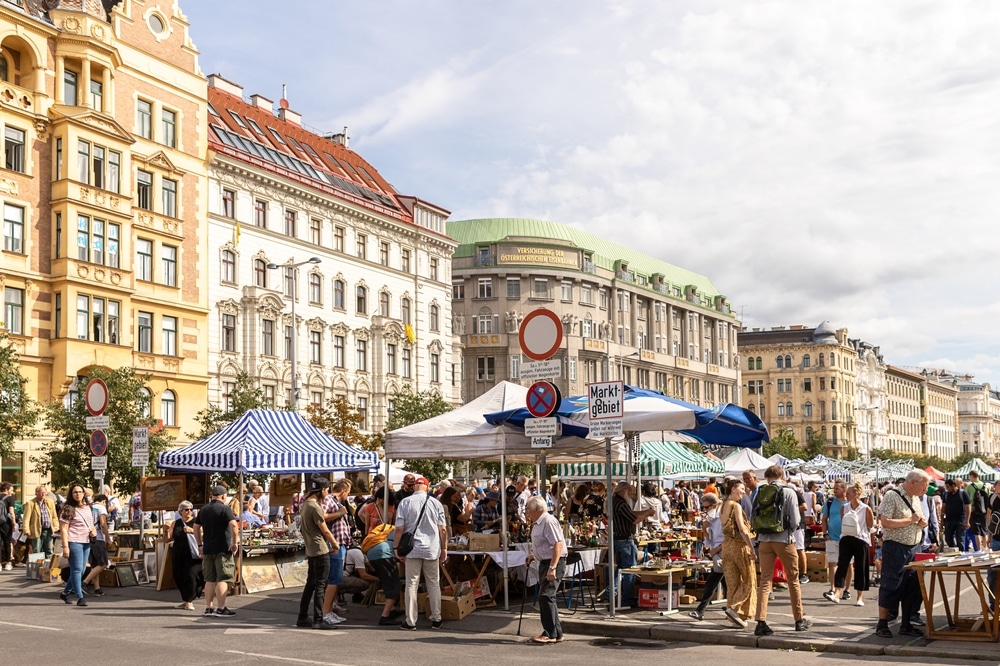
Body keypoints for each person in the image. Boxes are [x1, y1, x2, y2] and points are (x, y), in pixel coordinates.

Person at [752, 465, 811, 635]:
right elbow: (795, 519)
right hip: (784, 539)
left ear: (767, 477)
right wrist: (789, 532)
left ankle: (761, 621)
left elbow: (753, 517)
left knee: (765, 581)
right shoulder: (789, 492)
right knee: (793, 580)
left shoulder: (760, 492)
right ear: (782, 476)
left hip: (764, 540)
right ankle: (799, 619)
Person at [875, 469, 930, 639]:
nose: (926, 489)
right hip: (896, 547)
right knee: (892, 584)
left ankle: (906, 624)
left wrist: (922, 523)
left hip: (914, 547)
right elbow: (885, 522)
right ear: (913, 482)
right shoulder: (892, 496)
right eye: (924, 485)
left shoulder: (916, 498)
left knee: (912, 586)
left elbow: (916, 519)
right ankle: (882, 624)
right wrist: (911, 520)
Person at [394, 476, 447, 631]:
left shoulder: (405, 502)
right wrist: (444, 548)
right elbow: (442, 529)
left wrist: (396, 548)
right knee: (433, 583)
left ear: (415, 487)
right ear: (428, 487)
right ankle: (436, 619)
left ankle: (410, 621)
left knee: (411, 584)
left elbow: (399, 529)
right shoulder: (436, 503)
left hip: (412, 549)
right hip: (432, 548)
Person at [297, 476, 339, 630]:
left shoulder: (305, 505)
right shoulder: (315, 507)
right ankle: (318, 619)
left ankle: (302, 617)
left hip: (311, 549)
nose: (327, 493)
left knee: (311, 584)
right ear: (322, 490)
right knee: (321, 585)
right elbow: (325, 530)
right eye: (327, 490)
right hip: (320, 549)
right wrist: (335, 544)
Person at [193, 484, 240, 617]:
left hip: (207, 548)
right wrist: (235, 542)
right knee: (222, 578)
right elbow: (234, 526)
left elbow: (196, 527)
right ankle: (221, 607)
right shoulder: (225, 509)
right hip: (222, 548)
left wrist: (199, 545)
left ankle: (208, 608)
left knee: (209, 579)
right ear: (223, 496)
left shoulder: (204, 509)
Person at [525, 495, 566, 644]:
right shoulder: (537, 523)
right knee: (549, 597)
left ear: (537, 509)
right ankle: (557, 633)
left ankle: (549, 633)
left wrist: (553, 567)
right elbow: (545, 544)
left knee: (546, 596)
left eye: (528, 508)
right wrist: (534, 555)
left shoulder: (548, 521)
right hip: (545, 562)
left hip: (553, 562)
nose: (526, 511)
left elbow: (557, 545)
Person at [826, 482, 874, 607]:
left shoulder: (866, 508)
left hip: (861, 539)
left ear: (856, 494)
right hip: (846, 538)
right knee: (841, 565)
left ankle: (859, 597)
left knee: (861, 568)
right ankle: (837, 593)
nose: (846, 495)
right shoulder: (844, 508)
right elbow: (844, 523)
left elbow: (870, 526)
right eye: (846, 493)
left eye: (849, 493)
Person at [610, 481, 655, 606]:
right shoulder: (621, 503)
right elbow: (634, 520)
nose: (631, 494)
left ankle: (612, 596)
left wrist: (645, 512)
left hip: (619, 540)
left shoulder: (616, 501)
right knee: (629, 571)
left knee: (619, 571)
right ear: (623, 491)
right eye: (629, 491)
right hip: (625, 541)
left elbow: (632, 515)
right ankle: (627, 599)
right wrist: (647, 513)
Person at [720, 480, 758, 627]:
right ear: (733, 489)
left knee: (733, 583)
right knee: (749, 580)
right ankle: (734, 608)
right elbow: (742, 530)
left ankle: (735, 618)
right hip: (739, 547)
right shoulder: (735, 506)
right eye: (741, 489)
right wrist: (752, 549)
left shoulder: (722, 506)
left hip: (726, 547)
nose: (743, 491)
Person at [365, 489, 404, 626]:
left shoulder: (387, 527)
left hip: (371, 550)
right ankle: (385, 616)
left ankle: (392, 609)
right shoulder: (397, 528)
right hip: (383, 553)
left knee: (387, 581)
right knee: (394, 584)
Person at [690, 492, 728, 621]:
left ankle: (700, 610)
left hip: (722, 551)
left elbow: (728, 538)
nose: (705, 510)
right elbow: (709, 540)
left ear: (715, 505)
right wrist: (705, 530)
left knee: (712, 580)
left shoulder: (723, 516)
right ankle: (731, 607)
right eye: (704, 507)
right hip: (716, 552)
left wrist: (716, 549)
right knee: (723, 580)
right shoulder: (710, 519)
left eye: (707, 507)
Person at [321, 478, 353, 625]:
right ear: (344, 491)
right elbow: (320, 517)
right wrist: (340, 514)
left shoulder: (336, 502)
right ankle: (326, 612)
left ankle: (329, 609)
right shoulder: (329, 499)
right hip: (335, 545)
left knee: (336, 579)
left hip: (340, 544)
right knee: (334, 579)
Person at [58, 483, 96, 606]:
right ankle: (80, 597)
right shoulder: (67, 509)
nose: (78, 494)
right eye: (75, 492)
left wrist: (93, 531)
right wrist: (65, 547)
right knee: (77, 569)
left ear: (84, 493)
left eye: (80, 492)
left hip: (86, 541)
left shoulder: (87, 507)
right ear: (71, 494)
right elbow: (63, 529)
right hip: (74, 541)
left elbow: (91, 524)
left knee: (81, 570)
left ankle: (65, 593)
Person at [168, 500, 202, 611]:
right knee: (179, 576)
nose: (189, 512)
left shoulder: (196, 522)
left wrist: (192, 531)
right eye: (186, 510)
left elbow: (203, 534)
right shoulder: (176, 523)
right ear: (180, 511)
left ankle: (189, 601)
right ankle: (185, 599)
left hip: (193, 554)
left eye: (191, 509)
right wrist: (166, 531)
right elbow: (168, 539)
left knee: (192, 576)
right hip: (179, 554)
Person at [822, 479, 853, 599]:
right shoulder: (830, 502)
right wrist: (825, 534)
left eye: (837, 488)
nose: (834, 491)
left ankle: (847, 589)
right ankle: (833, 588)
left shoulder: (850, 503)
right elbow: (824, 518)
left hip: (847, 537)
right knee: (832, 563)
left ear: (844, 490)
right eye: (834, 488)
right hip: (832, 537)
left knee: (849, 564)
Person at [82, 494, 113, 597]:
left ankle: (97, 588)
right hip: (98, 538)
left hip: (87, 538)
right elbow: (103, 524)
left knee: (95, 565)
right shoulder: (101, 508)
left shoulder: (88, 507)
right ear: (104, 501)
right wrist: (108, 538)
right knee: (103, 563)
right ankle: (85, 582)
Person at [22, 485, 57, 560]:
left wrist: (56, 526)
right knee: (37, 550)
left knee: (49, 550)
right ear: (36, 493)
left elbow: (54, 516)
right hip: (36, 530)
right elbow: (26, 518)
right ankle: (37, 569)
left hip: (48, 530)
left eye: (44, 492)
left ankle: (47, 569)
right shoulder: (30, 503)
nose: (43, 494)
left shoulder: (50, 502)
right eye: (41, 492)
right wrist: (26, 530)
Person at [942, 478, 970, 550]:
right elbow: (944, 507)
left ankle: (961, 555)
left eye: (948, 487)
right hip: (949, 520)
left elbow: (968, 507)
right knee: (948, 537)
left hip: (960, 519)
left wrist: (967, 521)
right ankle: (954, 551)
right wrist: (942, 519)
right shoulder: (946, 494)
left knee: (960, 539)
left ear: (954, 485)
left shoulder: (963, 493)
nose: (947, 489)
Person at [966, 470, 989, 551]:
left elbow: (967, 500)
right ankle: (985, 548)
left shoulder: (969, 487)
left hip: (974, 511)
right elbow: (988, 499)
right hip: (984, 511)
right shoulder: (985, 486)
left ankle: (979, 549)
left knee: (976, 532)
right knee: (984, 531)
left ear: (972, 476)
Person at [0, 482, 15, 570]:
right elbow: (11, 512)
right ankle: (8, 563)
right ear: (6, 489)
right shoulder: (10, 499)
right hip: (6, 523)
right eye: (11, 490)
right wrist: (13, 523)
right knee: (7, 542)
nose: (12, 492)